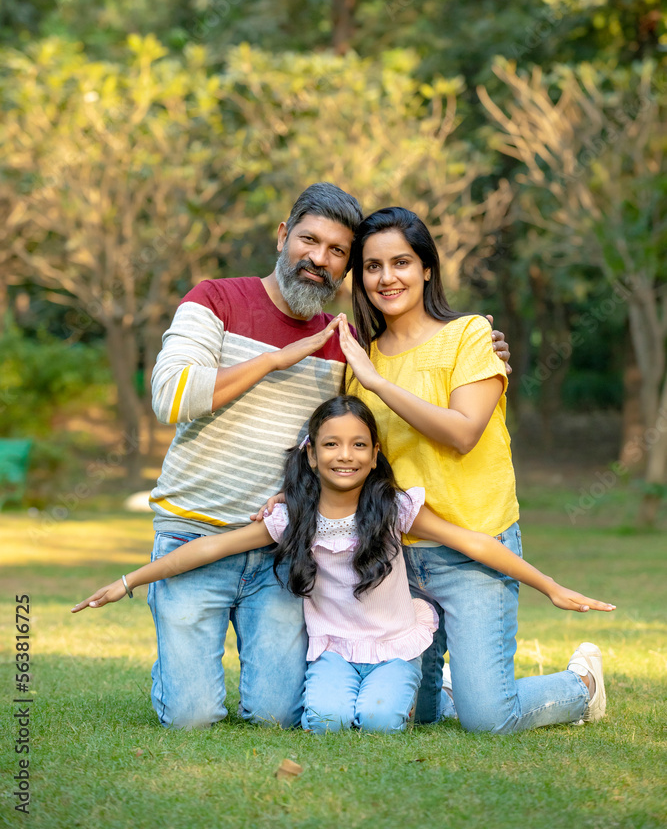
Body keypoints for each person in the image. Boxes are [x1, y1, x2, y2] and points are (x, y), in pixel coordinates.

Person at [145, 183, 511, 730]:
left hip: (282, 550)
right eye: (309, 240)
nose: (319, 259)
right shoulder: (215, 299)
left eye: (338, 251)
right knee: (191, 717)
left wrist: (485, 352)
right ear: (282, 236)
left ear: (346, 268)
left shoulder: (346, 345)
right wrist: (275, 360)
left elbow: (351, 436)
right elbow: (170, 397)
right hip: (194, 532)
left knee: (276, 716)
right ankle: (177, 678)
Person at [72, 396, 615, 735]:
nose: (345, 455)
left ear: (375, 455)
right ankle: (441, 693)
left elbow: (475, 544)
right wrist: (128, 580)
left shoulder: (394, 509)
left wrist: (549, 586)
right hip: (331, 649)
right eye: (331, 444)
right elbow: (210, 548)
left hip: (394, 644)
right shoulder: (292, 518)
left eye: (359, 445)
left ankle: (576, 685)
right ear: (310, 454)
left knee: (380, 722)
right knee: (325, 722)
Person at [339, 206, 611, 732]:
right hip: (398, 561)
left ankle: (581, 684)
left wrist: (377, 383)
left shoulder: (468, 336)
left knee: (489, 718)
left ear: (427, 269)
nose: (386, 277)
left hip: (475, 550)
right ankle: (451, 685)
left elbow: (463, 432)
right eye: (372, 266)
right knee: (414, 717)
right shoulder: (362, 359)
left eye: (401, 262)